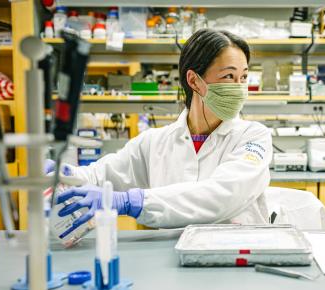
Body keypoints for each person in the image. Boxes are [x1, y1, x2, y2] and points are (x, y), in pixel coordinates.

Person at [52, 29, 273, 229]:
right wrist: (60, 174)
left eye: (243, 77)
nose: (239, 88)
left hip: (241, 257)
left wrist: (131, 202)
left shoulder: (253, 137)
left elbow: (224, 194)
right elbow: (100, 176)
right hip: (174, 263)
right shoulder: (153, 142)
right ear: (194, 81)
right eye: (228, 76)